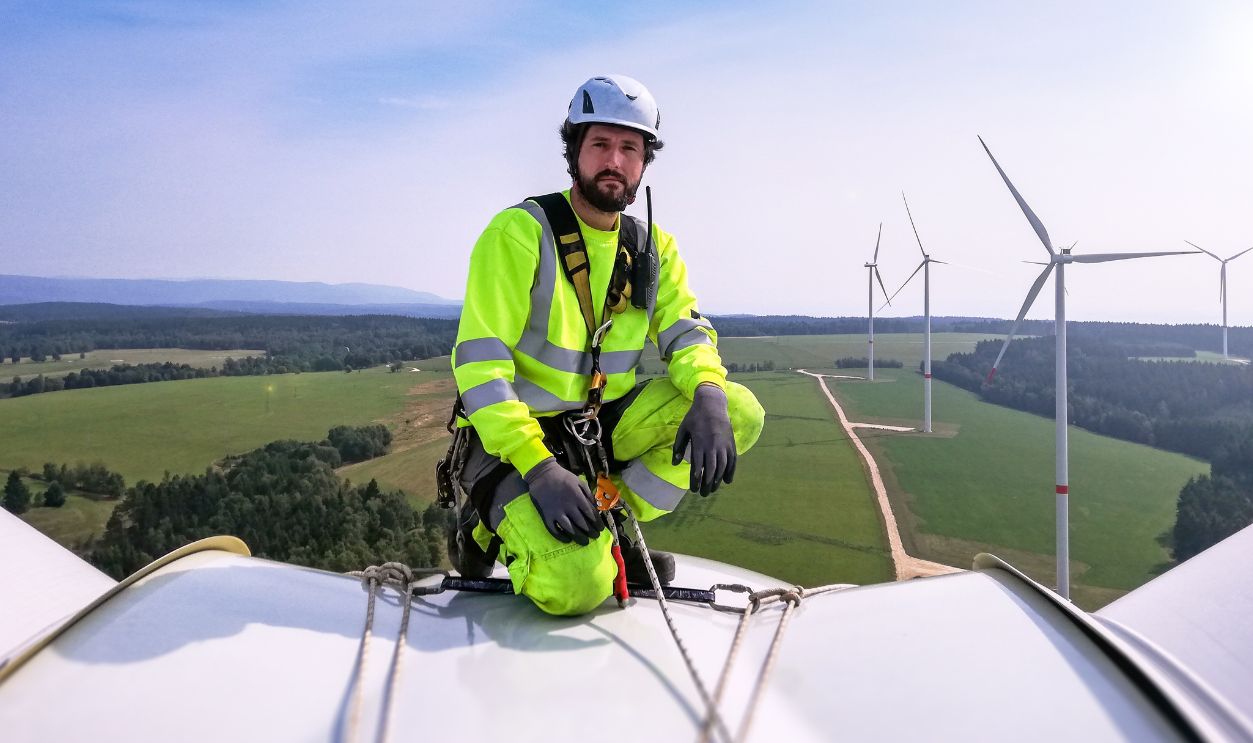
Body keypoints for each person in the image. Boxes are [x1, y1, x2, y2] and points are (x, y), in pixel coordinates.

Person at [447, 74, 764, 616]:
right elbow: (479, 366)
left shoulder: (652, 246)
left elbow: (685, 331)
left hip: (599, 429)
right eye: (600, 144)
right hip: (517, 439)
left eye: (629, 148)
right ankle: (479, 534)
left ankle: (609, 525)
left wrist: (709, 390)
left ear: (644, 163)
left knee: (738, 412)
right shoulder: (520, 233)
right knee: (575, 587)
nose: (614, 160)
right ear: (574, 151)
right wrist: (537, 466)